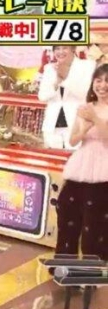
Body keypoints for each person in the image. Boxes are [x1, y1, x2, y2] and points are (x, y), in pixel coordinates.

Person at [54, 63, 108, 261]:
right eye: (98, 80)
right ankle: (64, 264)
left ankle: (92, 269)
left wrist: (96, 118)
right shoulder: (84, 108)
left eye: (107, 81)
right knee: (67, 214)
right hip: (80, 166)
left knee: (94, 224)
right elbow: (73, 140)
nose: (102, 85)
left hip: (103, 171)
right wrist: (84, 129)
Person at [38, 46, 96, 150]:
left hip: (76, 124)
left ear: (73, 49)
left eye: (64, 48)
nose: (60, 52)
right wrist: (57, 83)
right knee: (53, 158)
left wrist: (65, 79)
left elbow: (85, 94)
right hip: (52, 125)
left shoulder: (87, 66)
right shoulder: (49, 68)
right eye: (57, 49)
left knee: (77, 158)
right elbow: (42, 96)